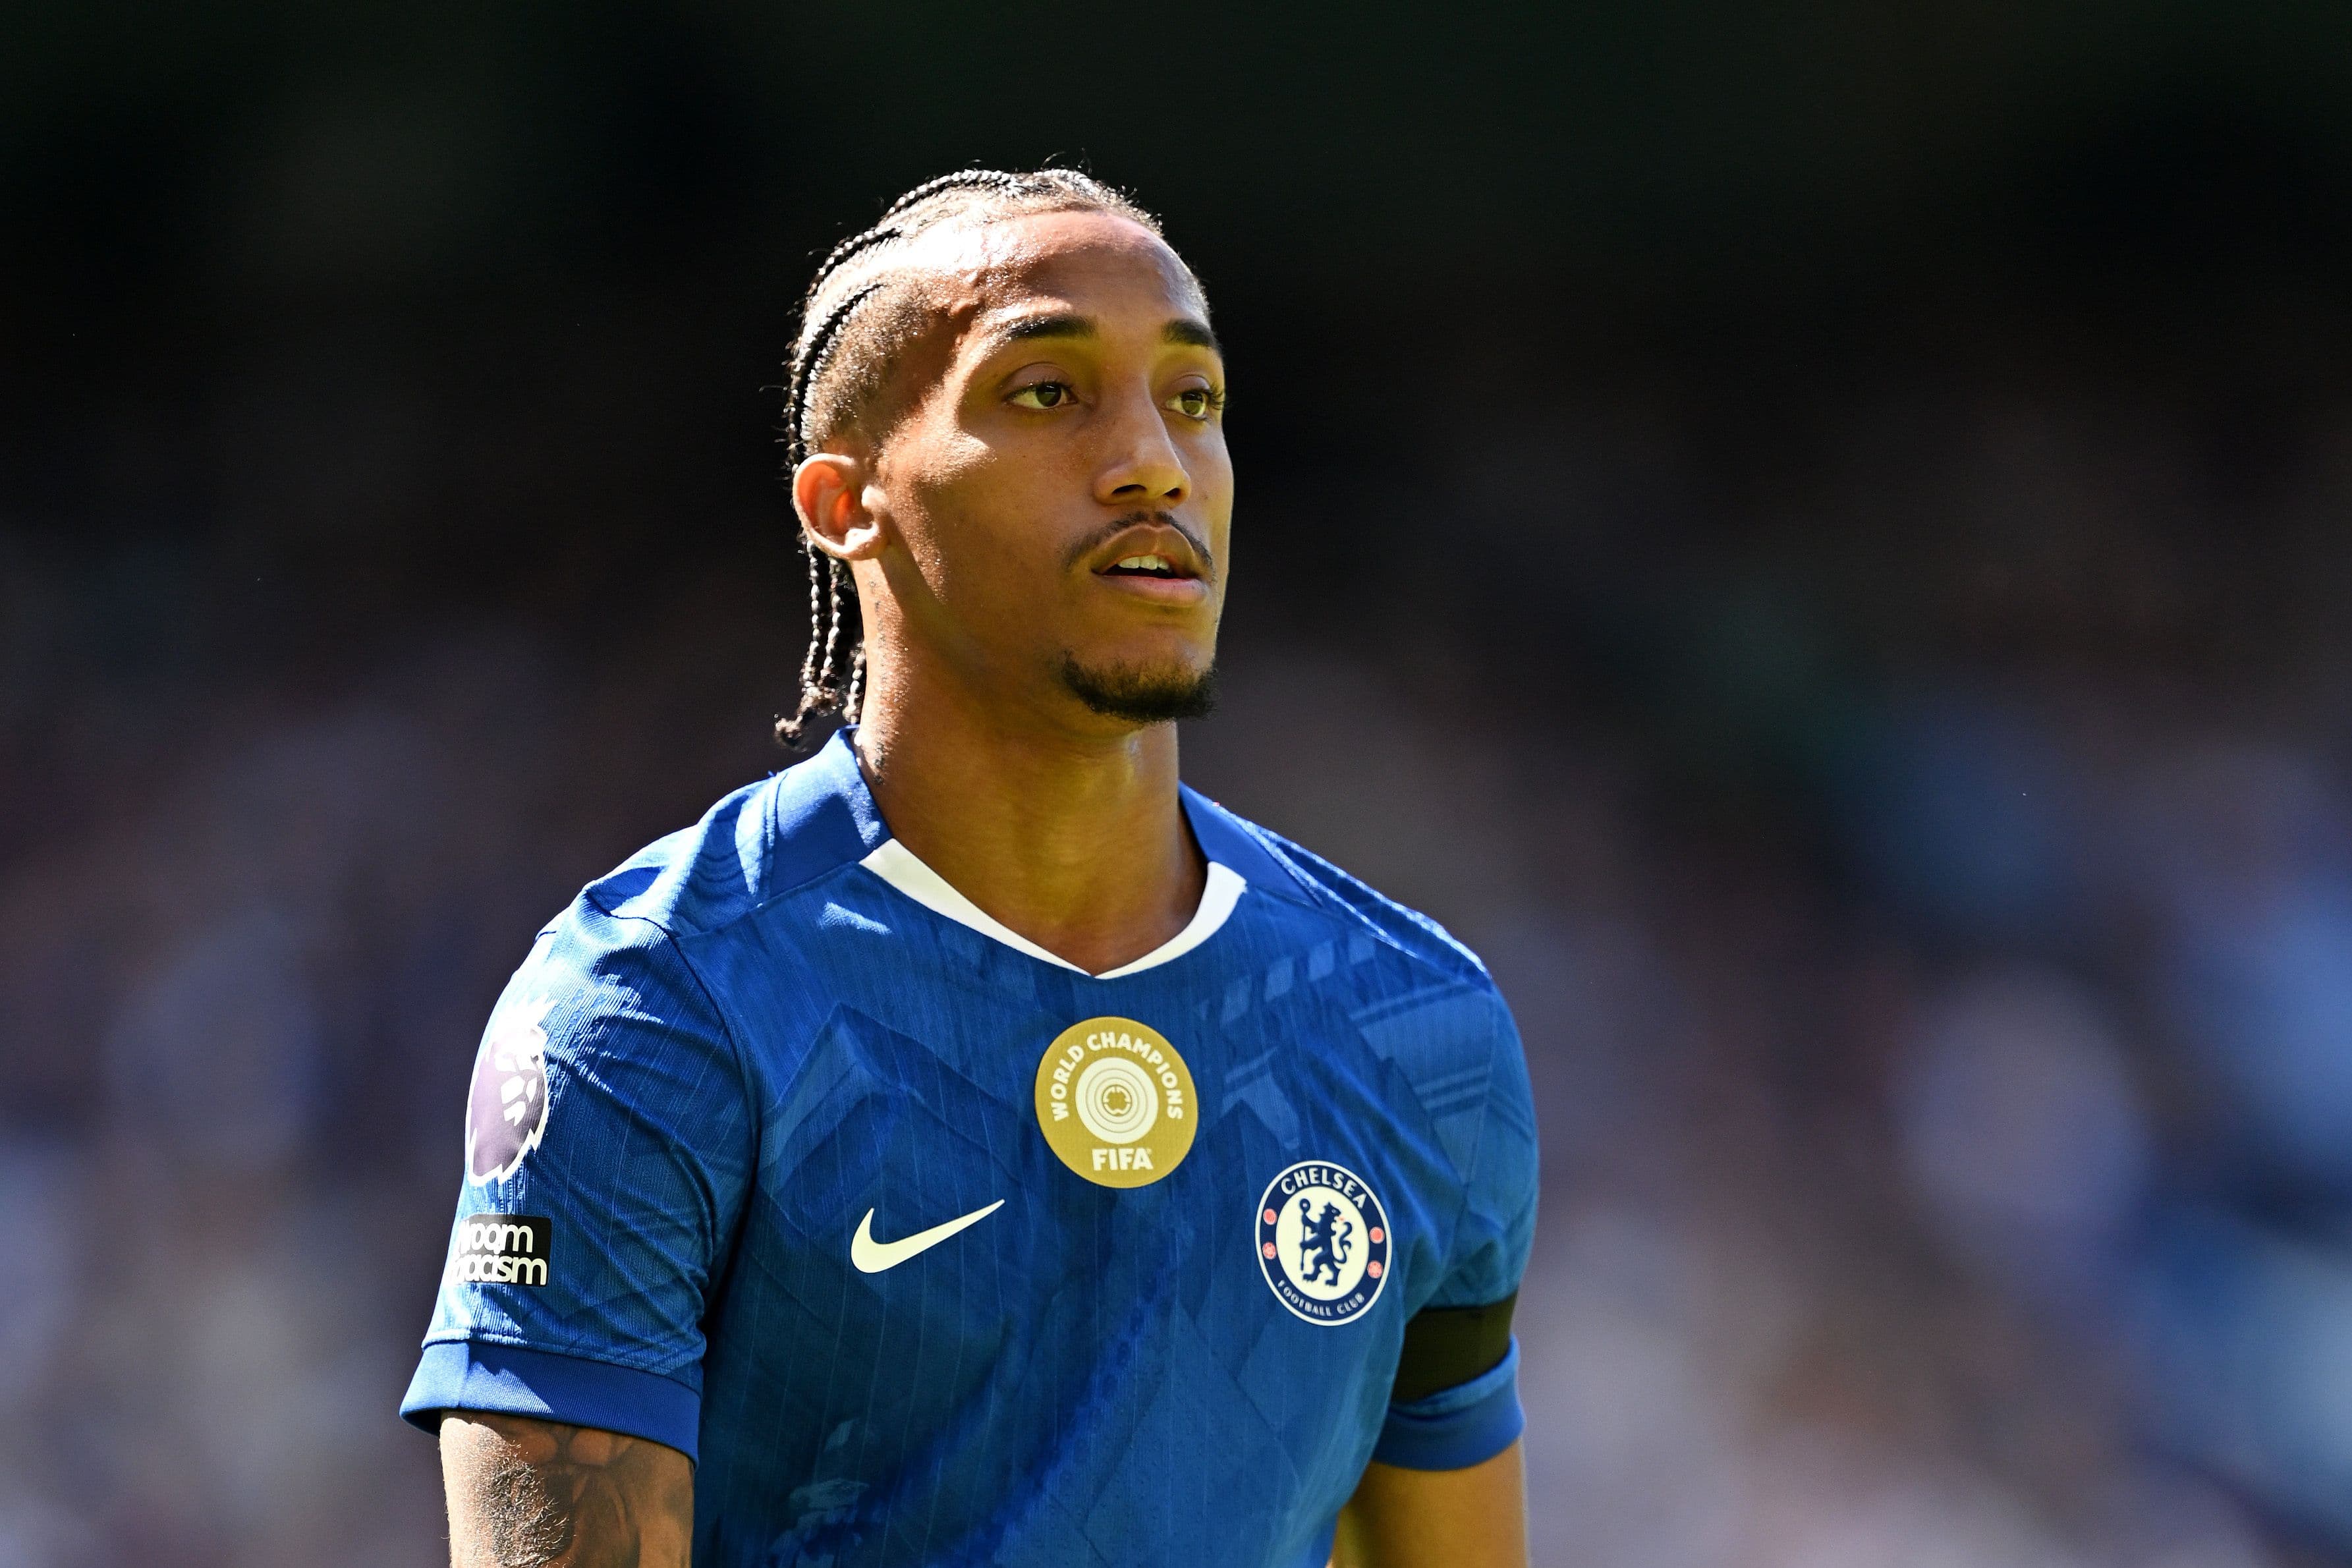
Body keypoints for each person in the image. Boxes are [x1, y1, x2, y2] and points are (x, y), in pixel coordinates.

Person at [403, 168, 1538, 1568]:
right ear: (845, 502)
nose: (1155, 462)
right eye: (1049, 394)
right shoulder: (655, 1012)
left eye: (1193, 399)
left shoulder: (1421, 1028)